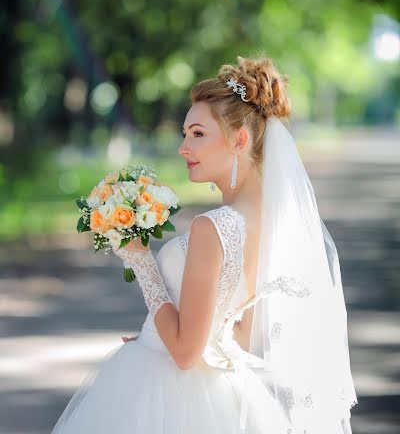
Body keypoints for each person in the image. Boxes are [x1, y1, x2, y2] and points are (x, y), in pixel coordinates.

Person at [50, 54, 357, 434]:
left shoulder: (213, 227)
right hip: (222, 393)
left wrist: (140, 262)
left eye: (197, 134)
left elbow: (184, 353)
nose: (183, 147)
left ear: (239, 140)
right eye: (184, 134)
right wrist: (156, 332)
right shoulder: (271, 220)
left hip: (171, 393)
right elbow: (239, 333)